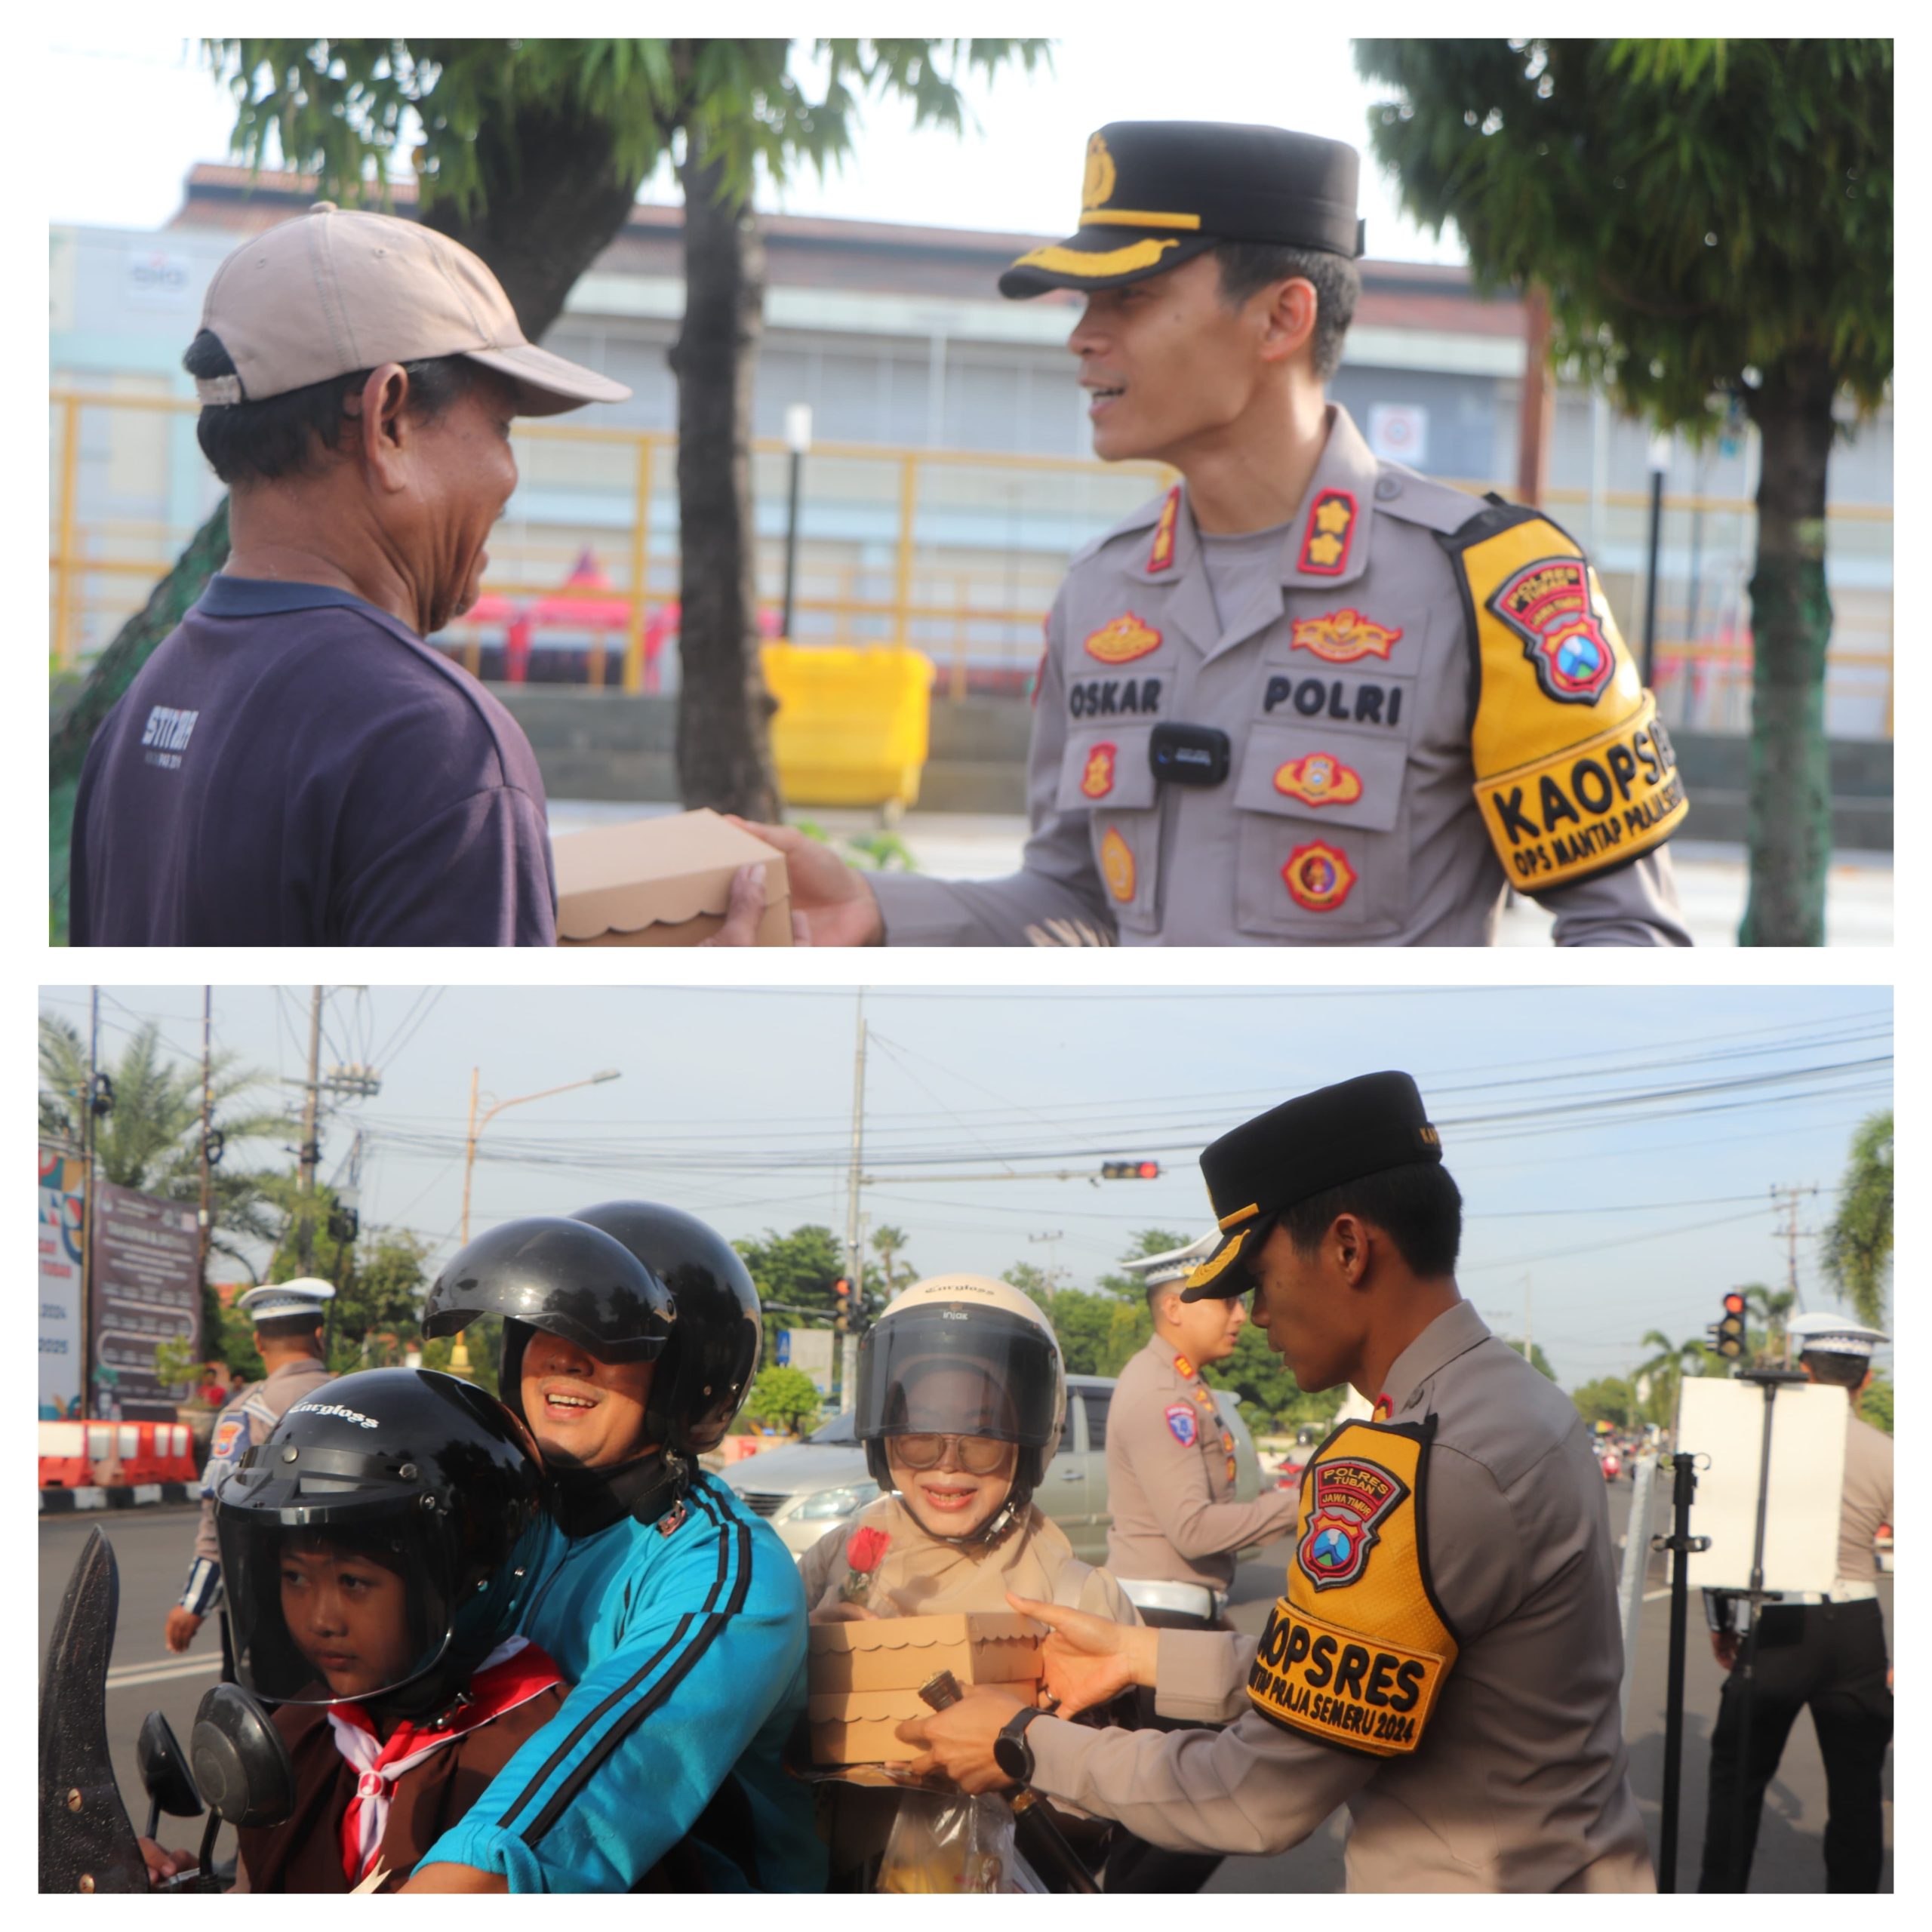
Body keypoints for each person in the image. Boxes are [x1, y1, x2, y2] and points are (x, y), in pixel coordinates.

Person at [729, 122, 1690, 949]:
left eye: (1129, 297)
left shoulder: (1493, 586)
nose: (1082, 336)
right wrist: (873, 907)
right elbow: (1071, 902)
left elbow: (1627, 931)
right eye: (1084, 303)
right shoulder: (1100, 595)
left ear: (1281, 316)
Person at [897, 1071, 1657, 1891]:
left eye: (1261, 1280)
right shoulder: (1512, 1402)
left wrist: (1018, 1741)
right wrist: (1141, 1653)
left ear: (1347, 1247)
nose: (1256, 1316)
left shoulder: (1423, 1461)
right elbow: (1377, 1675)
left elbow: (1253, 1792)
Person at [69, 199, 629, 947]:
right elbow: (459, 1054)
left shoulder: (146, 702)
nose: (508, 472)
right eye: (500, 427)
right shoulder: (432, 742)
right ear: (388, 421)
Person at [412, 1206, 824, 1891]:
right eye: (545, 1326)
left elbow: (596, 1783)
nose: (564, 1356)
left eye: (610, 1336)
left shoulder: (722, 1572)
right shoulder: (505, 1513)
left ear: (685, 1374)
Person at [139, 1367, 567, 1892]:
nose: (321, 1619)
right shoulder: (303, 1731)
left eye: (354, 1582)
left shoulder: (543, 1750)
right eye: (295, 1578)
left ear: (463, 1582)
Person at [797, 1274, 1140, 1887]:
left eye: (981, 1439)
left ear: (1029, 1441)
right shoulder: (843, 1557)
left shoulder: (1073, 1595)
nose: (948, 1465)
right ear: (885, 1436)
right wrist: (798, 1654)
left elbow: (1127, 1800)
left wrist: (1028, 1751)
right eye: (920, 1437)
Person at [1101, 1234, 1304, 1890]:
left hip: (1180, 1619)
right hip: (1163, 1621)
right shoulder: (1163, 1394)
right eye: (1226, 1301)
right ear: (1176, 1309)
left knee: (1161, 1817)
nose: (1243, 1315)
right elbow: (1193, 1529)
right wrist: (1305, 1503)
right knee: (1209, 1809)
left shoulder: (1182, 1385)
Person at [1697, 1311, 1894, 1892]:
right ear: (1867, 1382)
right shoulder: (1891, 1454)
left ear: (1804, 1374)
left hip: (1779, 1624)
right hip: (1858, 1627)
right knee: (1858, 1793)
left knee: (1738, 1780)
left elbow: (1723, 1533)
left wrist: (1723, 1621)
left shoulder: (1765, 1450)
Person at [165, 1278, 336, 1656]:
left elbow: (220, 1519)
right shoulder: (357, 1399)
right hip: (351, 1602)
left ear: (259, 1343)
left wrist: (194, 1603)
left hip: (267, 1605)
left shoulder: (246, 1412)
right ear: (319, 1335)